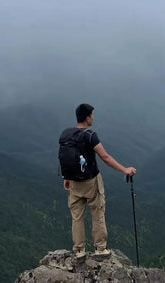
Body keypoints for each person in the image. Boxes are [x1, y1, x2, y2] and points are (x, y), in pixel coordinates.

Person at [59, 103, 136, 260]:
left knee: (77, 216)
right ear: (87, 118)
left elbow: (66, 158)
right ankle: (100, 249)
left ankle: (79, 251)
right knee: (97, 212)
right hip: (91, 180)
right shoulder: (90, 135)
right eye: (92, 115)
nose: (93, 117)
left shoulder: (66, 134)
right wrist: (125, 170)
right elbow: (105, 157)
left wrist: (66, 177)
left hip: (74, 181)